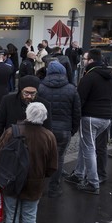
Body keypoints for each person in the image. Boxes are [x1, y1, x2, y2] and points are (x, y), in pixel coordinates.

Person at [0, 103, 58, 223]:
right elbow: (52, 167)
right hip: (35, 183)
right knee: (30, 217)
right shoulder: (49, 136)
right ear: (44, 116)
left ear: (27, 114)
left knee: (11, 216)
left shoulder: (11, 132)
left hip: (11, 181)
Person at [65, 49, 112, 195]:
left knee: (89, 148)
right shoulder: (111, 76)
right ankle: (79, 174)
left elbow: (79, 99)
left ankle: (93, 182)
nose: (84, 61)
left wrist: (74, 117)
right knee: (86, 144)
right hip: (106, 117)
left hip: (90, 116)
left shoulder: (90, 76)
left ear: (91, 60)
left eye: (85, 59)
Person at [38, 61, 81, 198]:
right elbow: (76, 112)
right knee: (58, 159)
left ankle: (37, 188)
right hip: (63, 130)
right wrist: (73, 129)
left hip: (43, 129)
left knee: (40, 158)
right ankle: (54, 189)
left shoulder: (41, 88)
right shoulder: (71, 89)